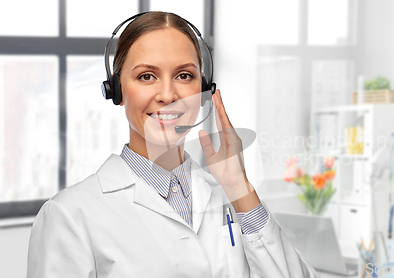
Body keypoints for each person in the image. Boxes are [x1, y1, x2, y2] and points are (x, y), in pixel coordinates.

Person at [27, 12, 320, 278]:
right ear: (116, 91)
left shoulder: (231, 197)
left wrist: (239, 188)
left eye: (184, 75)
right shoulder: (69, 214)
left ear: (203, 90)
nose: (168, 95)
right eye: (146, 76)